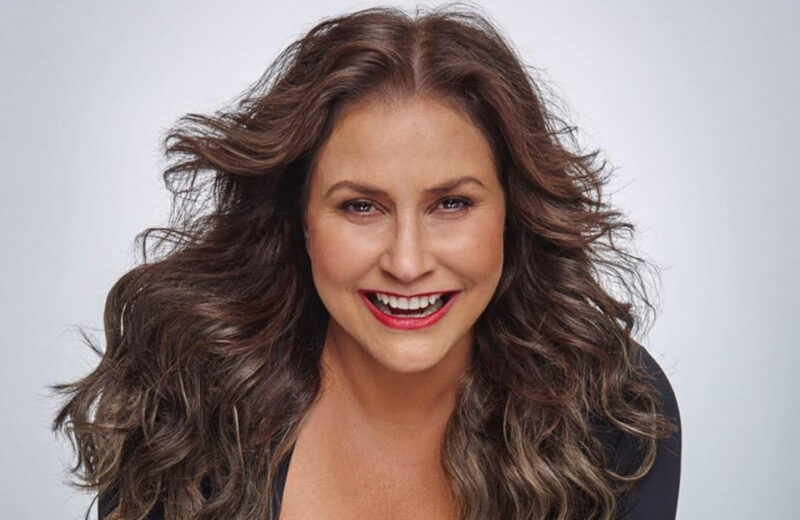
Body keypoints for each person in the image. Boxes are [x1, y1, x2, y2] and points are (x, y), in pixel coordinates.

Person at [52, 4, 681, 519]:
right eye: (361, 207)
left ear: (513, 213)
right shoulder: (184, 397)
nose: (407, 263)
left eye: (452, 204)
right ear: (300, 218)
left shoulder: (611, 406)